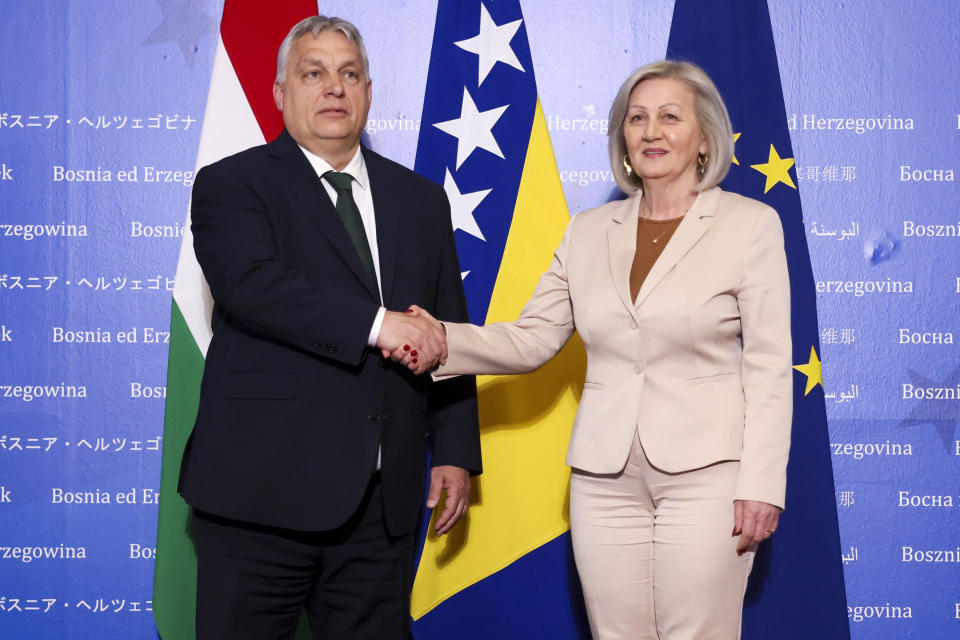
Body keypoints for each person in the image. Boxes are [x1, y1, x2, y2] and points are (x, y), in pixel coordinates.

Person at [398, 60, 791, 639]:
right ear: (623, 139)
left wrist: (762, 483)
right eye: (637, 118)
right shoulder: (586, 230)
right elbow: (531, 337)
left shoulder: (750, 225)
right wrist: (439, 341)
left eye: (669, 116)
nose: (651, 131)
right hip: (602, 481)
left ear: (703, 137)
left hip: (709, 477)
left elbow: (768, 366)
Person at [177, 15, 481, 640]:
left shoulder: (421, 200)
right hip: (257, 501)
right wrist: (377, 324)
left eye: (350, 74)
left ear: (370, 91)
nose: (334, 88)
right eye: (313, 73)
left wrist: (453, 450)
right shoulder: (232, 184)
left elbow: (444, 327)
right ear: (281, 93)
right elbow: (253, 286)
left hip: (380, 506)